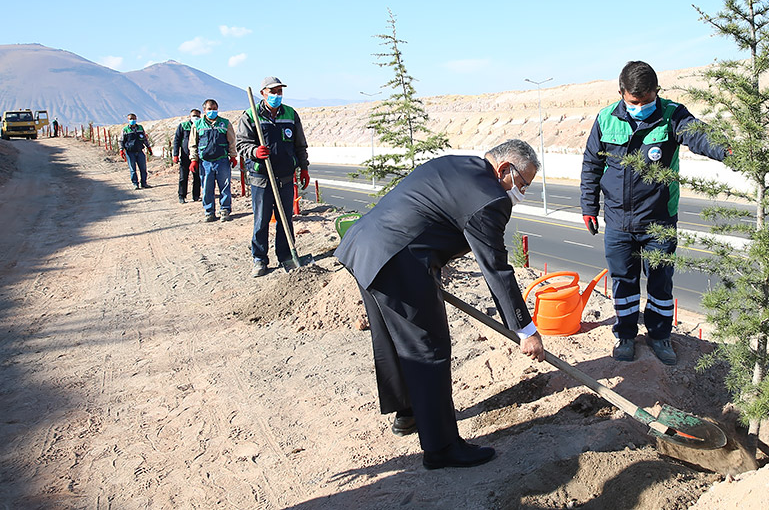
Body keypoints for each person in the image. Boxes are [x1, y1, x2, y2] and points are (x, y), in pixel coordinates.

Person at [334, 139, 545, 470]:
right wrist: (525, 329)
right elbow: (496, 269)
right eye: (522, 183)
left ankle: (407, 414)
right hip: (398, 260)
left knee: (393, 339)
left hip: (366, 247)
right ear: (505, 170)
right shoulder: (490, 198)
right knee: (427, 349)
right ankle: (442, 447)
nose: (521, 191)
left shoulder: (457, 163)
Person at [580, 61, 729, 365]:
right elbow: (591, 165)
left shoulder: (672, 115)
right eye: (635, 102)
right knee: (623, 281)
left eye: (647, 101)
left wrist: (726, 150)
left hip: (659, 220)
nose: (641, 107)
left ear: (656, 93)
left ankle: (660, 336)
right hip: (619, 220)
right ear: (621, 93)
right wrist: (588, 207)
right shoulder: (606, 119)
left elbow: (699, 136)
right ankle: (625, 335)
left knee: (660, 282)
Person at [236, 76, 310, 276]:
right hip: (262, 178)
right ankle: (259, 259)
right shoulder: (250, 116)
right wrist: (254, 152)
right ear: (263, 93)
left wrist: (303, 167)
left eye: (279, 91)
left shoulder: (290, 114)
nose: (277, 95)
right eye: (273, 91)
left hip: (285, 177)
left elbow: (300, 145)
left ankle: (286, 256)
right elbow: (241, 144)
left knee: (285, 220)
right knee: (261, 220)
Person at [189, 99, 238, 223]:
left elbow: (231, 141)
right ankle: (209, 212)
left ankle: (225, 210)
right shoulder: (197, 125)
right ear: (204, 110)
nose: (212, 111)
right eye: (209, 109)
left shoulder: (225, 123)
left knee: (225, 186)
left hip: (222, 160)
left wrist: (233, 156)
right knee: (207, 188)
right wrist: (194, 159)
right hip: (205, 162)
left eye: (214, 108)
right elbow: (193, 144)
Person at [173, 109, 202, 204]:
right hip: (185, 156)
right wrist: (175, 154)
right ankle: (182, 195)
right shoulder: (183, 126)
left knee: (197, 177)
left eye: (197, 115)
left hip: (197, 156)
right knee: (183, 177)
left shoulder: (201, 125)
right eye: (194, 115)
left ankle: (196, 196)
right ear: (190, 116)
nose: (196, 117)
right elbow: (177, 140)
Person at [118, 113, 153, 190]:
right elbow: (121, 141)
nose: (132, 120)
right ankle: (135, 184)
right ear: (128, 120)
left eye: (134, 118)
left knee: (143, 168)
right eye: (130, 119)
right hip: (130, 152)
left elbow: (144, 139)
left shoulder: (140, 128)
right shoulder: (125, 130)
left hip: (140, 151)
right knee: (133, 169)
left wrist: (149, 147)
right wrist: (121, 150)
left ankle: (144, 183)